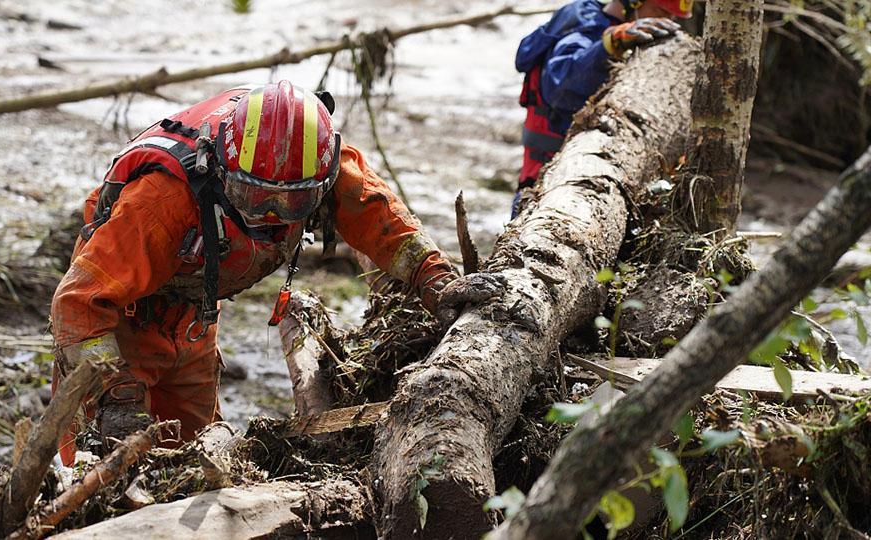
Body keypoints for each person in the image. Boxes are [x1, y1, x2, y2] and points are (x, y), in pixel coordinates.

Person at [50, 80, 481, 465]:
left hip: (195, 318)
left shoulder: (316, 161)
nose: (270, 215)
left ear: (321, 181)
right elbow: (78, 302)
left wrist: (436, 278)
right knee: (103, 465)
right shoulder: (162, 202)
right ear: (222, 169)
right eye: (253, 197)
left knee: (192, 455)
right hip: (119, 318)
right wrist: (113, 391)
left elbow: (381, 220)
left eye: (289, 205)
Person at [512, 0, 691, 216]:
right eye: (660, 11)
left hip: (591, 181)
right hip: (542, 186)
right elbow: (561, 88)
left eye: (672, 17)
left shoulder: (632, 37)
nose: (666, 22)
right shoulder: (587, 27)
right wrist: (610, 45)